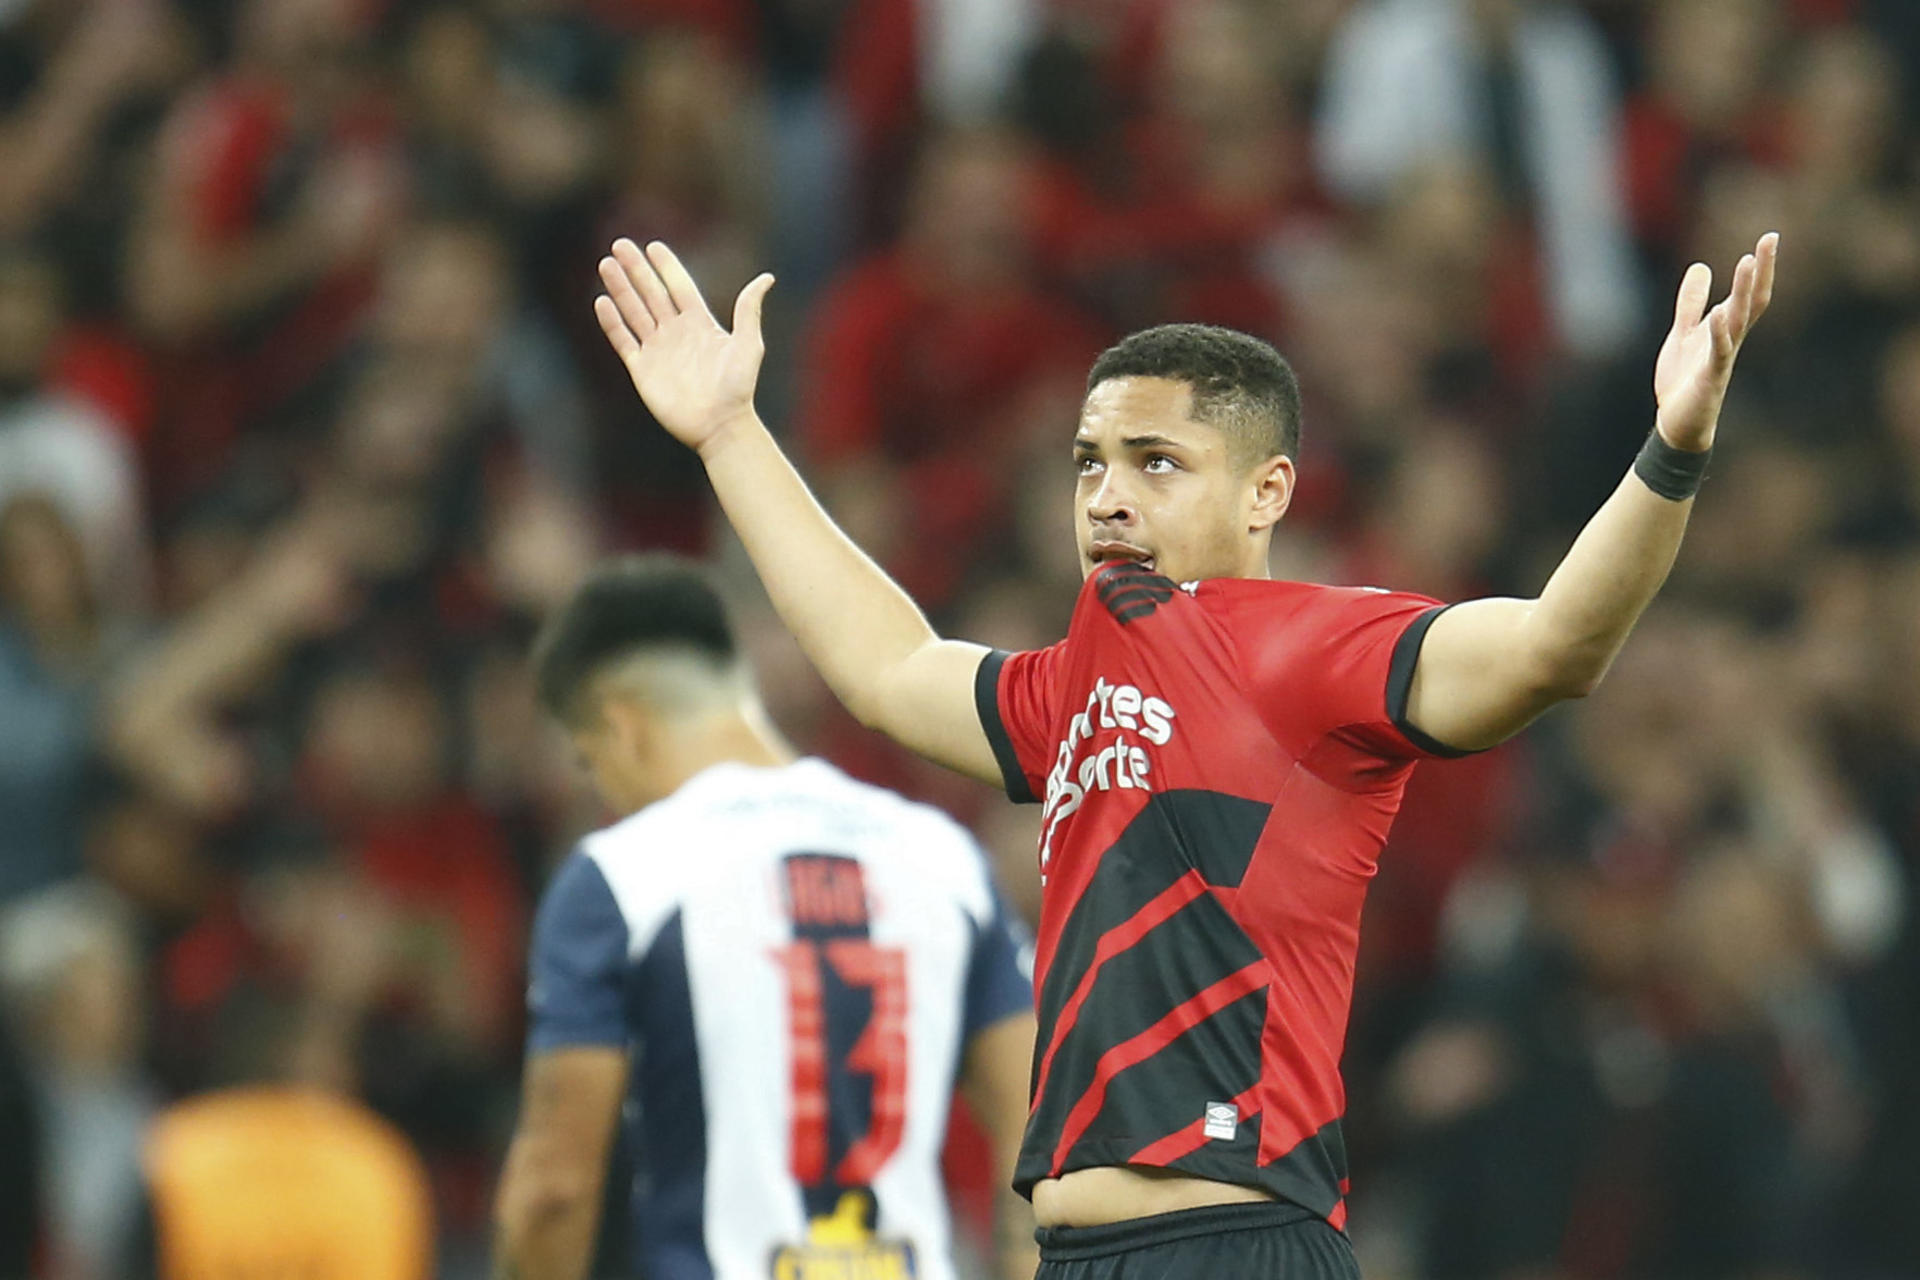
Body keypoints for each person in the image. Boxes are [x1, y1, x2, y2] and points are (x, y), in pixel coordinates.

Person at [587, 228, 1779, 1278]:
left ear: (1268, 491)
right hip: (1075, 1254)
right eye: (1090, 462)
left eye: (1156, 462)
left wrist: (1670, 450)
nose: (1108, 496)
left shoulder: (1309, 648)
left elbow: (1551, 649)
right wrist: (731, 435)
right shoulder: (1073, 688)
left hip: (1234, 1244)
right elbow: (890, 670)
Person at [492, 556, 1039, 1280]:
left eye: (592, 763)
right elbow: (1038, 1133)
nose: (609, 792)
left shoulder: (625, 876)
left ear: (624, 727)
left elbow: (555, 1185)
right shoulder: (943, 859)